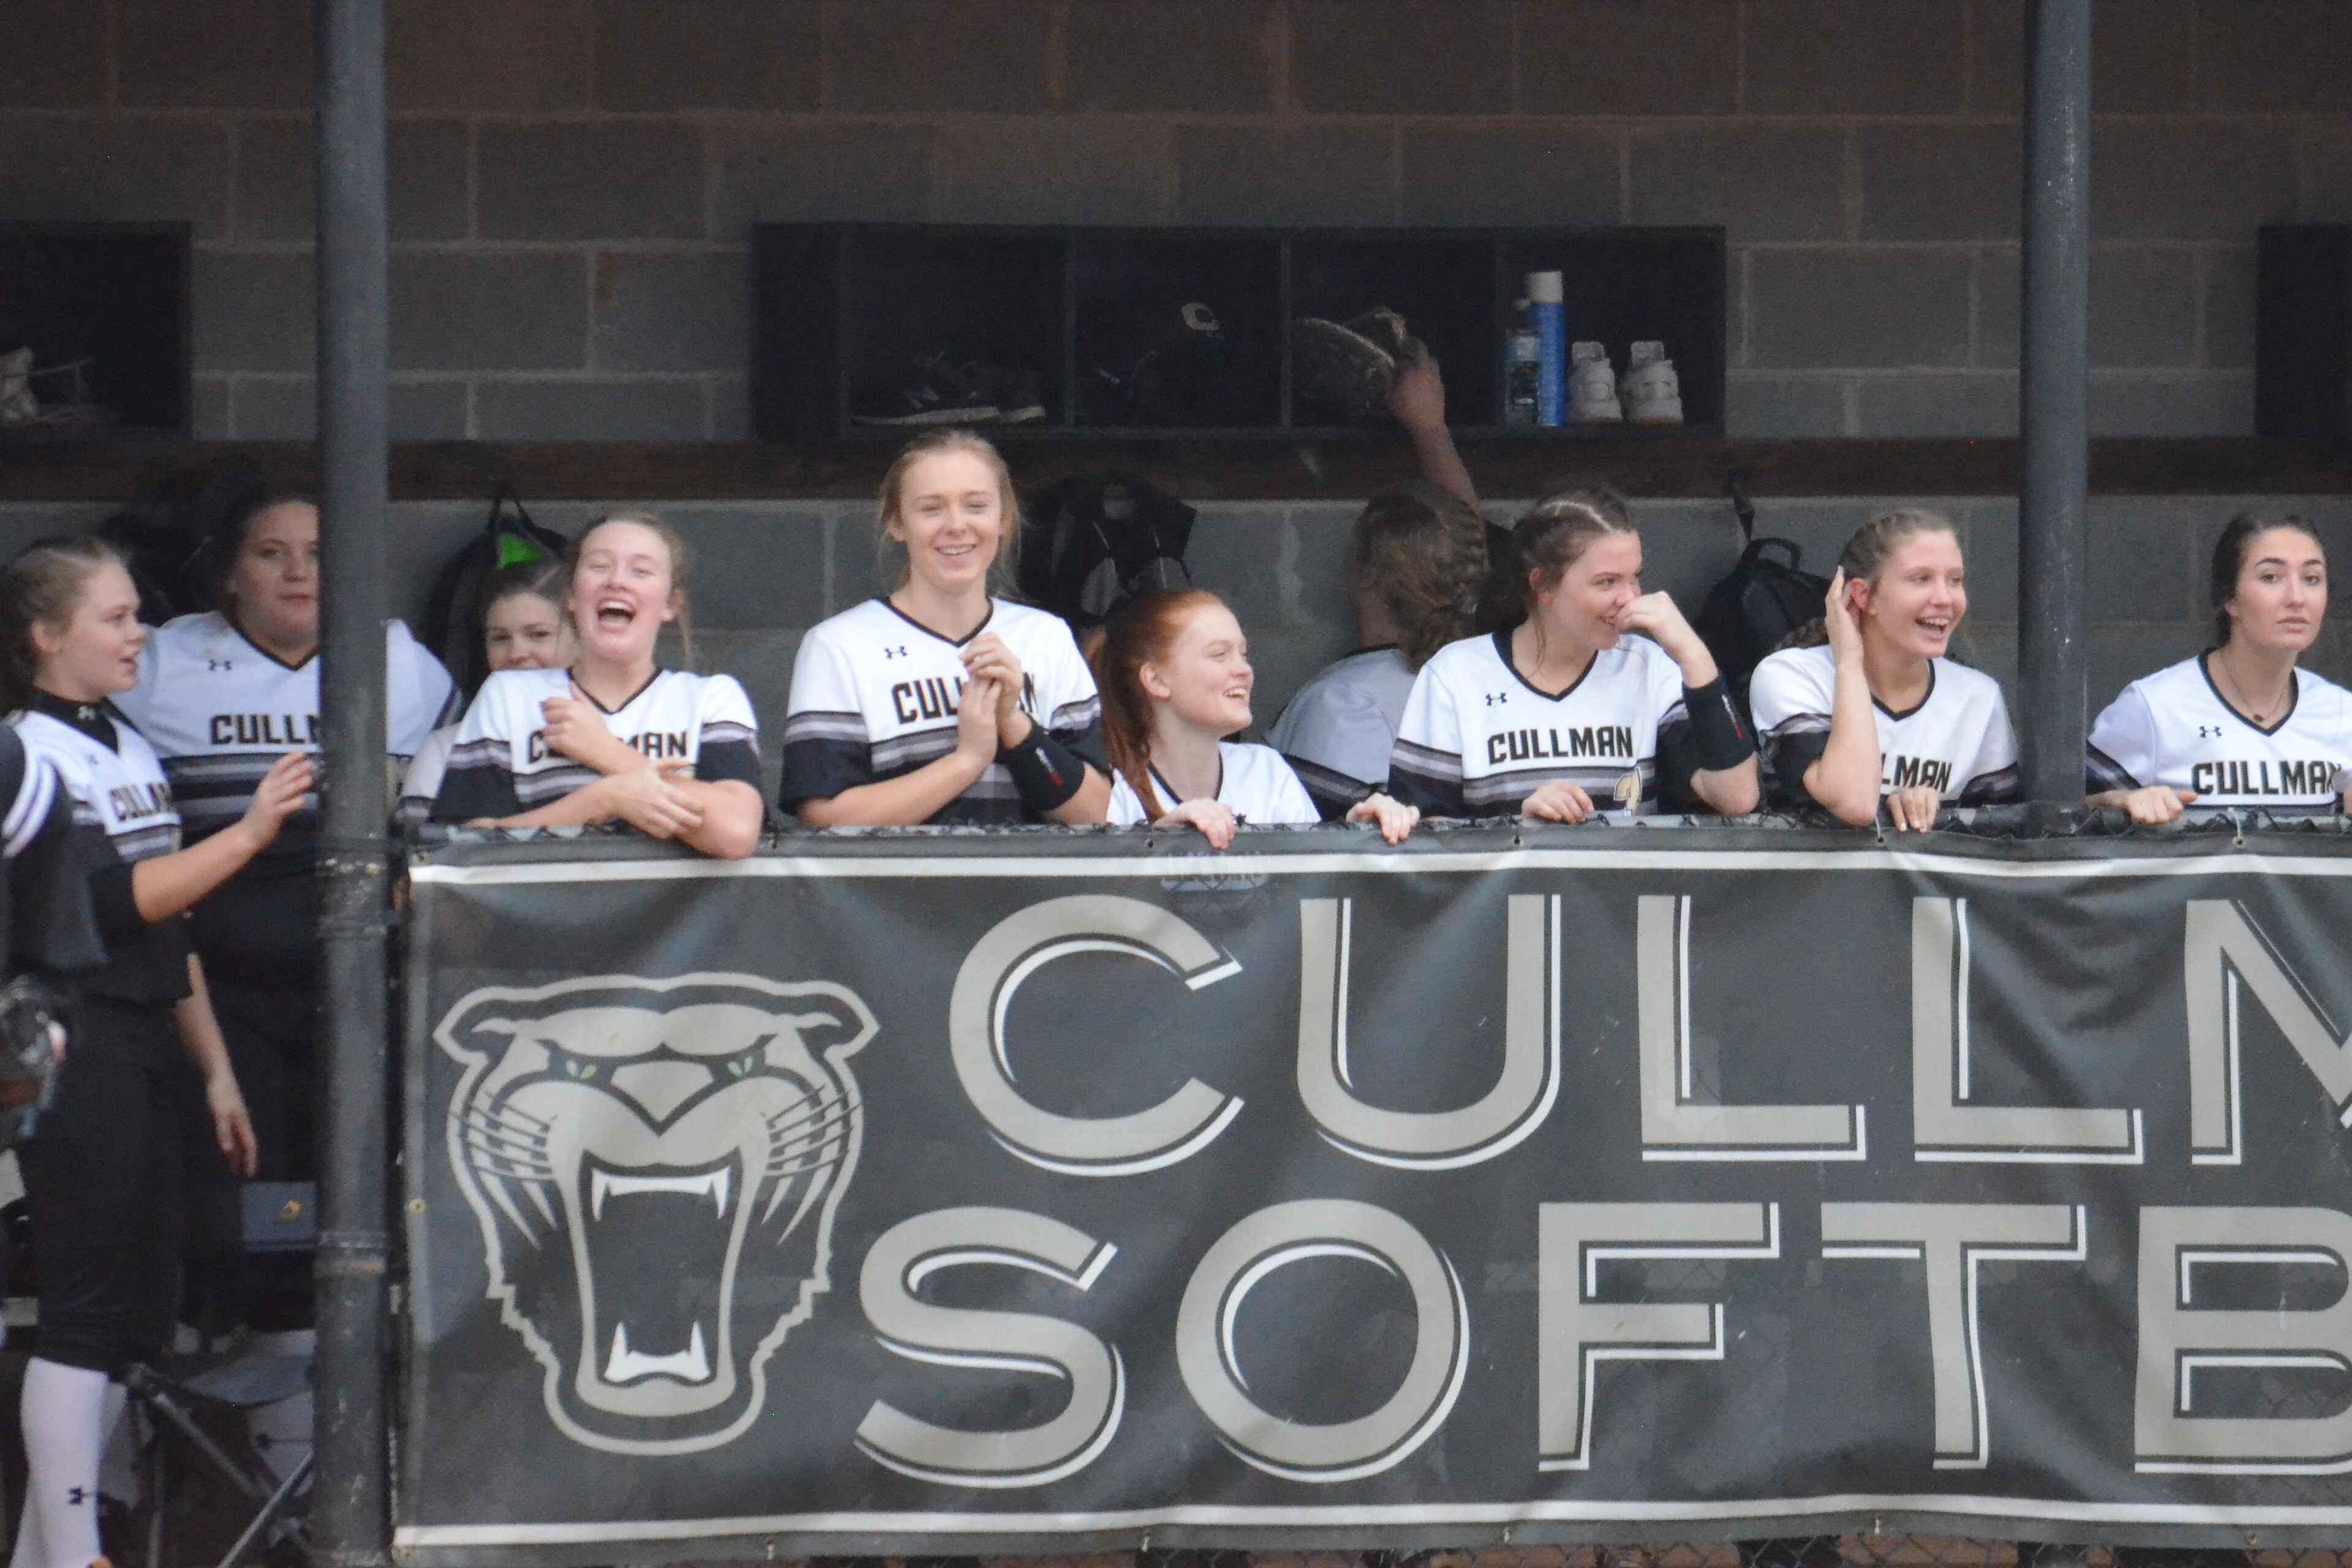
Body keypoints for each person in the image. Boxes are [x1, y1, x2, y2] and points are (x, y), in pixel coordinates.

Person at [1, 537, 312, 1568]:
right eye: (117, 617)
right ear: (46, 637)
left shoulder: (126, 743)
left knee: (137, 1315)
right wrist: (250, 835)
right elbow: (110, 905)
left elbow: (169, 937)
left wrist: (215, 1068)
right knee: (84, 1311)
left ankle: (45, 1554)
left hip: (146, 1036)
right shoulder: (28, 752)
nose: (141, 634)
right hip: (69, 1035)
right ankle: (76, 1554)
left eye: (138, 613)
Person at [111, 490, 454, 1330]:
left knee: (354, 1193)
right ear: (230, 573)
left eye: (320, 552)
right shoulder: (162, 664)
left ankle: (327, 1381)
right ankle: (243, 1372)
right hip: (219, 987)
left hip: (361, 984)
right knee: (237, 1194)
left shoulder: (403, 665)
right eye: (272, 553)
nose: (300, 572)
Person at [781, 429, 1111, 826]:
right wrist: (966, 761)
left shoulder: (1046, 637)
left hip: (1028, 871)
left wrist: (1015, 725)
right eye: (931, 509)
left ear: (1004, 519)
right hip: (898, 871)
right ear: (897, 523)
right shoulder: (839, 646)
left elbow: (1096, 813)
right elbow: (823, 816)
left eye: (975, 506)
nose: (956, 525)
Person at [1387, 489, 1759, 821]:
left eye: (1634, 577)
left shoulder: (1650, 667)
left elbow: (1739, 798)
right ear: (1542, 586)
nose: (1630, 598)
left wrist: (1693, 654)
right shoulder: (1456, 675)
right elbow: (1422, 833)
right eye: (1607, 582)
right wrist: (1517, 826)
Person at [431, 514, 764, 859]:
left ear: (670, 605)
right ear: (572, 595)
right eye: (600, 566)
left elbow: (736, 833)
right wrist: (604, 800)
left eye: (640, 571)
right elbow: (462, 847)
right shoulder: (510, 696)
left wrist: (607, 752)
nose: (617, 581)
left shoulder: (710, 698)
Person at [1269, 351, 1487, 820]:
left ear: (1369, 572)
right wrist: (1429, 428)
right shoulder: (1478, 675)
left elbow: (1325, 851)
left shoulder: (1346, 704)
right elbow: (1464, 542)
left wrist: (1428, 426)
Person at [1748, 510, 2021, 831]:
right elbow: (1856, 804)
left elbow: (2005, 837)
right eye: (1921, 579)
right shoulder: (1791, 675)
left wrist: (1933, 813)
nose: (1945, 599)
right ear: (1863, 596)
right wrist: (1849, 664)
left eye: (1954, 580)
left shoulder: (1980, 697)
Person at [1091, 589, 1418, 850]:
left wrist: (1356, 836)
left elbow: (1305, 887)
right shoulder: (1112, 788)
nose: (1244, 670)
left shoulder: (1266, 770)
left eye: (1243, 654)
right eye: (1220, 655)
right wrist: (1158, 848)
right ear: (1156, 680)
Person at [2089, 513, 2352, 823]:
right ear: (2231, 599)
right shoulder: (2154, 707)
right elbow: (2061, 819)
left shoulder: (2342, 712)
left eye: (2312, 579)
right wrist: (2116, 801)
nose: (2297, 598)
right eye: (2270, 577)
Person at [397, 560, 571, 829]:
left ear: (582, 639)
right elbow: (420, 847)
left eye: (538, 635)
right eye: (500, 638)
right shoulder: (446, 748)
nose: (516, 653)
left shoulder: (619, 729)